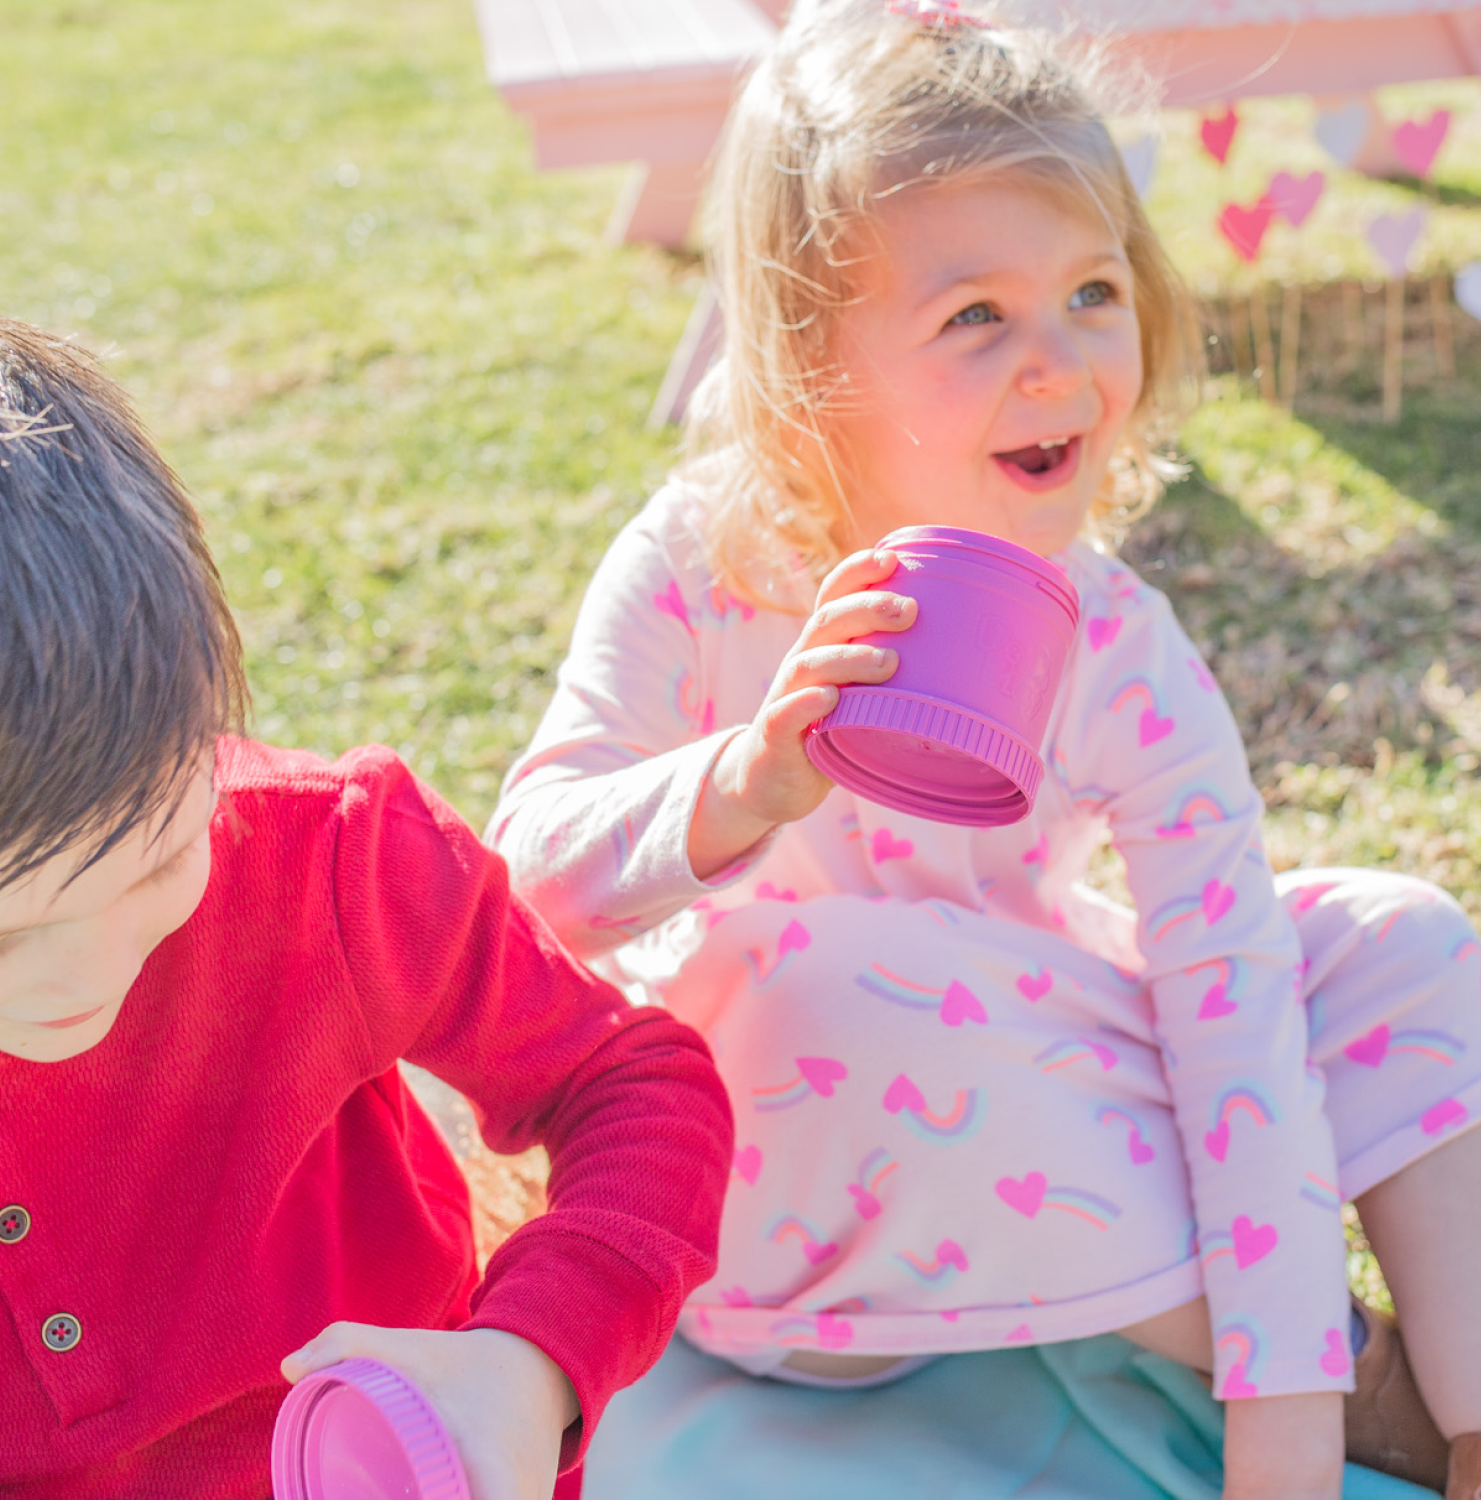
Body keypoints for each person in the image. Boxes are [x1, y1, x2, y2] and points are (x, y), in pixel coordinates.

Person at [486, 4, 1481, 1496]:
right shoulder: (700, 563)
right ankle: (1351, 1378)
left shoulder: (1115, 636)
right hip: (793, 1193)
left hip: (1043, 1111)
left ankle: (1463, 1419)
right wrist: (745, 780)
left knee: (1385, 938)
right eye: (976, 317)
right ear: (813, 362)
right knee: (816, 975)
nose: (1061, 361)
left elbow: (1232, 1003)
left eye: (1092, 290)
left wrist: (1275, 1461)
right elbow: (530, 883)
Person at [0, 310, 733, 1500]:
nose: (81, 975)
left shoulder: (331, 861)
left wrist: (530, 1363)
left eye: (153, 865)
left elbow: (637, 1089)